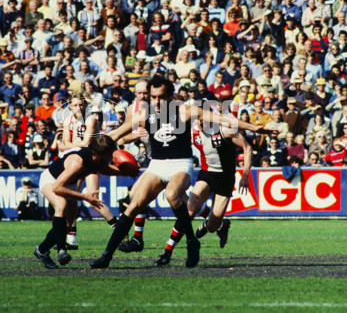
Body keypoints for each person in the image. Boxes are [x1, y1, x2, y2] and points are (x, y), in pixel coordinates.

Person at [90, 76, 268, 269]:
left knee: (172, 194)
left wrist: (254, 127)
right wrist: (87, 151)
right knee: (133, 206)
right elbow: (114, 135)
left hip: (180, 164)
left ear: (171, 96)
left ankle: (191, 241)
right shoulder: (143, 115)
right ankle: (106, 256)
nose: (157, 102)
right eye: (153, 97)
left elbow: (221, 118)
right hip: (156, 164)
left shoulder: (184, 110)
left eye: (162, 97)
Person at [153, 116, 253, 266]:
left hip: (225, 179)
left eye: (202, 120)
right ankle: (167, 252)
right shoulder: (193, 133)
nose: (199, 123)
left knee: (213, 227)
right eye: (197, 120)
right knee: (189, 211)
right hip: (206, 175)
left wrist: (245, 174)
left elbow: (247, 148)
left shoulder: (224, 129)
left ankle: (217, 224)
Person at [33, 135, 130, 269]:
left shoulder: (96, 158)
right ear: (99, 154)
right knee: (61, 205)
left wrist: (128, 172)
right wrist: (85, 197)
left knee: (66, 227)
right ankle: (62, 251)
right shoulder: (77, 163)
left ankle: (41, 250)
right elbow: (57, 188)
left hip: (69, 184)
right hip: (52, 180)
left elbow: (104, 169)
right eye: (109, 155)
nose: (111, 158)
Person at [59, 93, 117, 248]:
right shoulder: (68, 121)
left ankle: (119, 230)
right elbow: (64, 144)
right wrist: (67, 146)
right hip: (76, 162)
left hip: (92, 161)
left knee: (93, 198)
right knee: (70, 199)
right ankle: (71, 239)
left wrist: (67, 146)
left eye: (81, 105)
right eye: (75, 105)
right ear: (70, 106)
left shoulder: (91, 119)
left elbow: (84, 143)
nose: (79, 108)